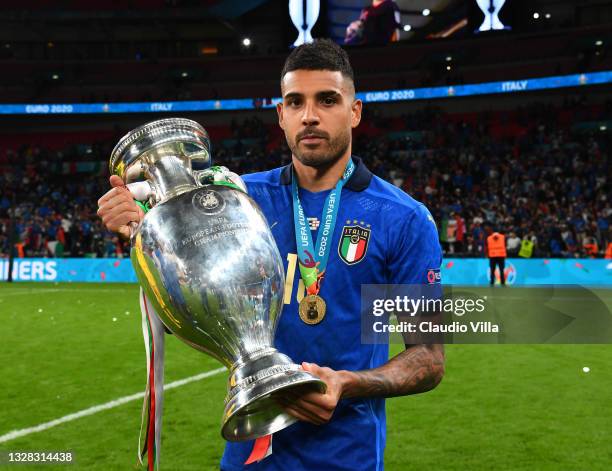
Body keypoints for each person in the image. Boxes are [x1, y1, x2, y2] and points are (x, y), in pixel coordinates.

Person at [97, 39, 444, 471]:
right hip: (250, 452)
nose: (310, 115)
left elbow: (428, 358)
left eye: (328, 100)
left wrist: (347, 383)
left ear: (355, 111)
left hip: (346, 456)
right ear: (281, 115)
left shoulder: (404, 219)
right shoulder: (235, 200)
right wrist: (148, 236)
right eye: (295, 102)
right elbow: (182, 316)